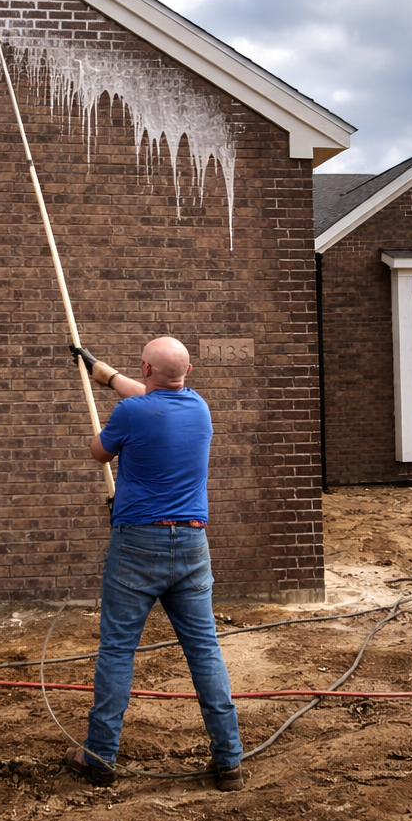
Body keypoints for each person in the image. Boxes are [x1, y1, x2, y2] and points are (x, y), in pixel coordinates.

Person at [63, 336, 244, 792]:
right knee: (204, 650)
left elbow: (99, 451)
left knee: (118, 650)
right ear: (185, 373)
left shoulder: (131, 414)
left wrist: (105, 413)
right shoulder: (199, 407)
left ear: (145, 369)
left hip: (137, 545)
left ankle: (100, 757)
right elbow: (148, 396)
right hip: (191, 544)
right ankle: (229, 762)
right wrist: (99, 372)